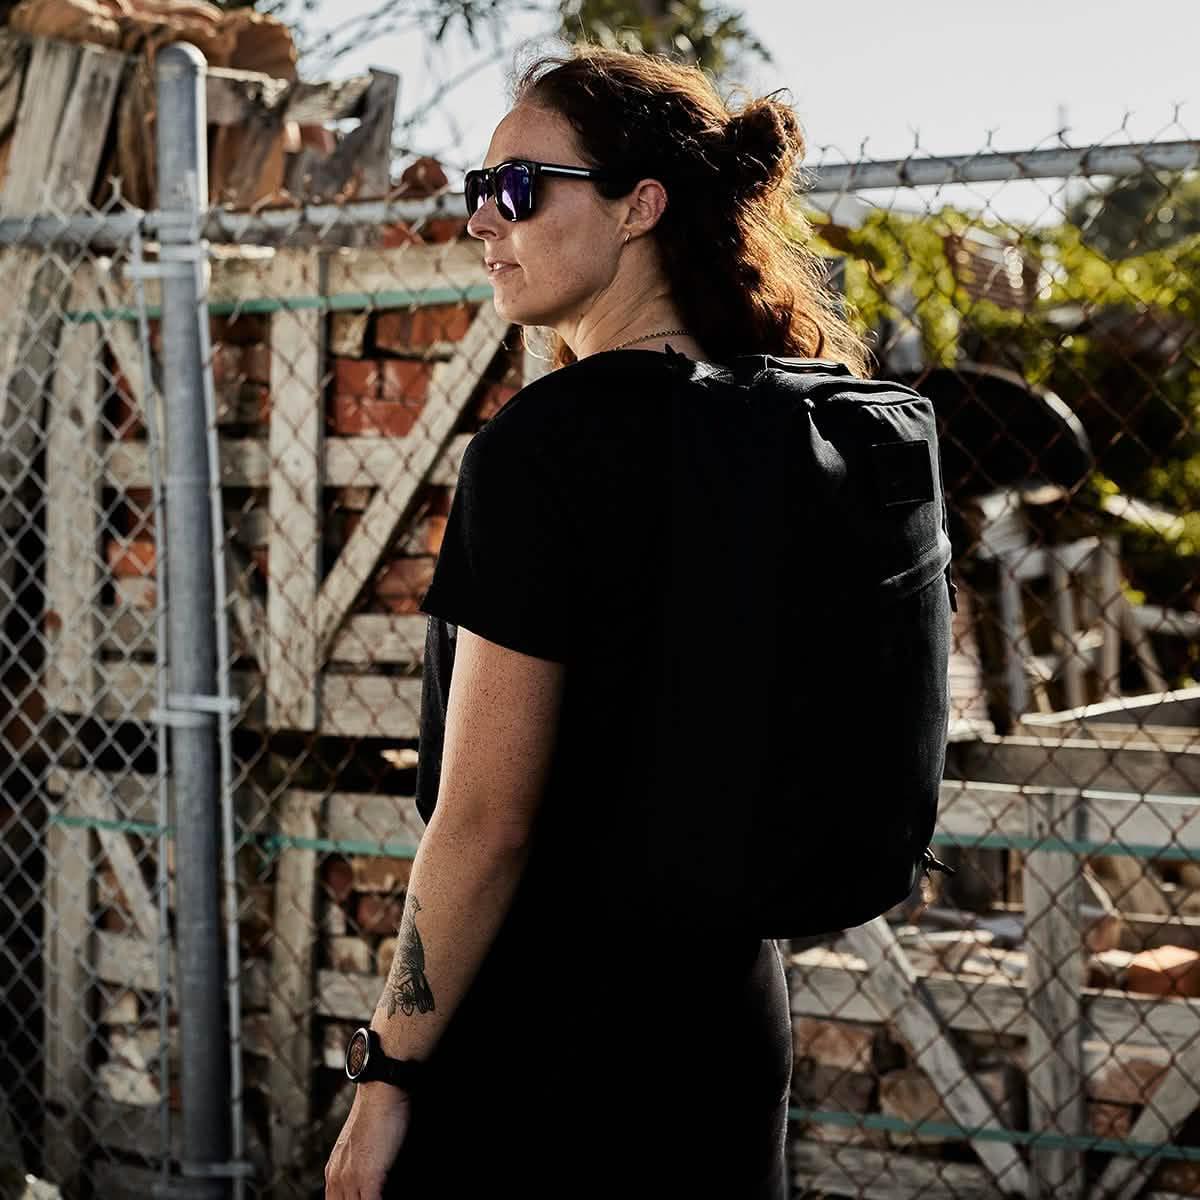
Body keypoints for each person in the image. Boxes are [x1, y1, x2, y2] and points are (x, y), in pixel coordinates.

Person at [324, 39, 872, 1200]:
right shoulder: (791, 424)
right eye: (478, 190)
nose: (483, 220)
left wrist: (385, 1078)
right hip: (727, 1025)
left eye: (517, 188)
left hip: (552, 1043)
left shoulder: (545, 449)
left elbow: (485, 825)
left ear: (640, 207)